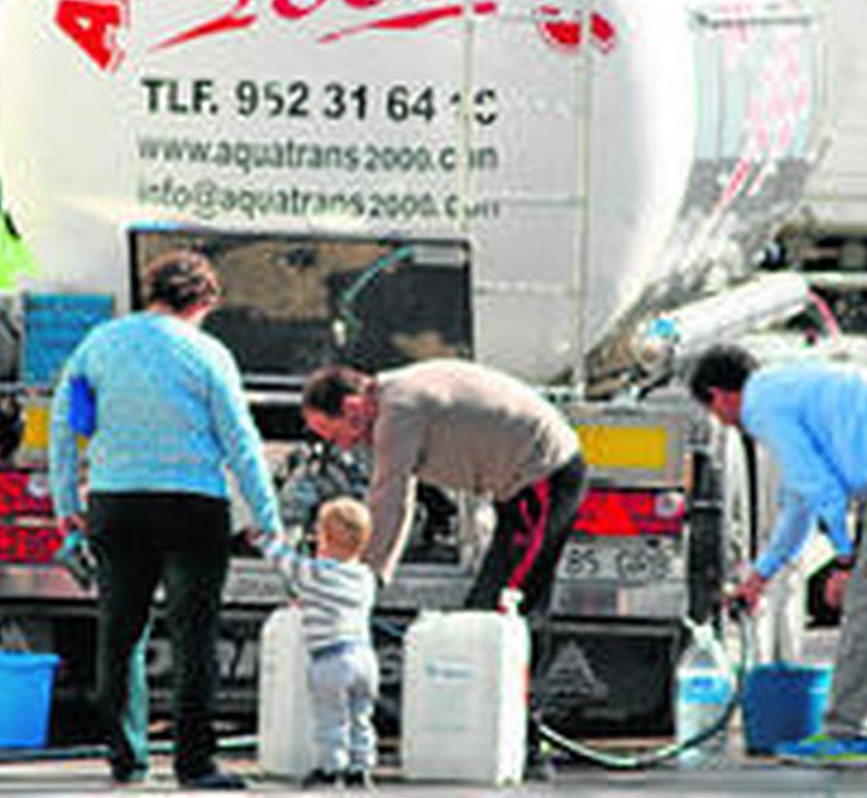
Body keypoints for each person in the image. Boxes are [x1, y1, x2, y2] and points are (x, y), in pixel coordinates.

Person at [49, 249, 283, 790]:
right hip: (192, 506)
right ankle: (194, 765)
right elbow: (241, 441)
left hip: (116, 502)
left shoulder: (97, 345)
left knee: (120, 634)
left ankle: (126, 759)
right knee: (194, 637)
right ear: (202, 302)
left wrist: (66, 505)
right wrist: (268, 516)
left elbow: (66, 426)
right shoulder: (208, 353)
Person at [688, 344, 867, 770]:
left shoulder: (760, 404)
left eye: (714, 412)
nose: (723, 422)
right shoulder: (788, 386)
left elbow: (820, 488)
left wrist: (846, 561)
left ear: (719, 396)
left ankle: (845, 733)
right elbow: (800, 505)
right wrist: (760, 576)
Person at [299, 359, 588, 779]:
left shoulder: (399, 410)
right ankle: (496, 738)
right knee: (488, 613)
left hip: (544, 473)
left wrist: (359, 581)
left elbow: (389, 499)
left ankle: (525, 744)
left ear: (352, 408)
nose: (340, 446)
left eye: (334, 433)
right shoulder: (390, 402)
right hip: (517, 487)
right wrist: (370, 576)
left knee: (507, 611)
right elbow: (400, 498)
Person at [251, 498, 379, 789]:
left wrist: (262, 540)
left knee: (331, 718)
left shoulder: (315, 573)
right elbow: (336, 600)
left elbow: (284, 562)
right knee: (361, 717)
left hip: (331, 658)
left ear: (325, 539)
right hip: (365, 658)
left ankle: (331, 768)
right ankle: (361, 767)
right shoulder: (365, 578)